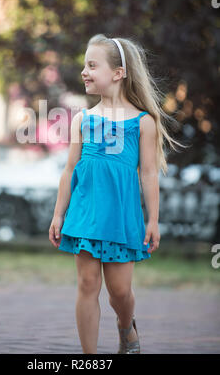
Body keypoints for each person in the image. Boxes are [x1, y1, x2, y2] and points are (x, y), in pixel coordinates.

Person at [49, 34, 185, 354]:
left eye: (92, 65)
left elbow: (149, 174)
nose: (84, 71)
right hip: (84, 214)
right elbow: (70, 170)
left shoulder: (143, 123)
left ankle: (126, 326)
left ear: (118, 73)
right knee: (87, 285)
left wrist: (153, 220)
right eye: (84, 65)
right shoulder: (83, 120)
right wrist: (58, 214)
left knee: (120, 291)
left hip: (122, 218)